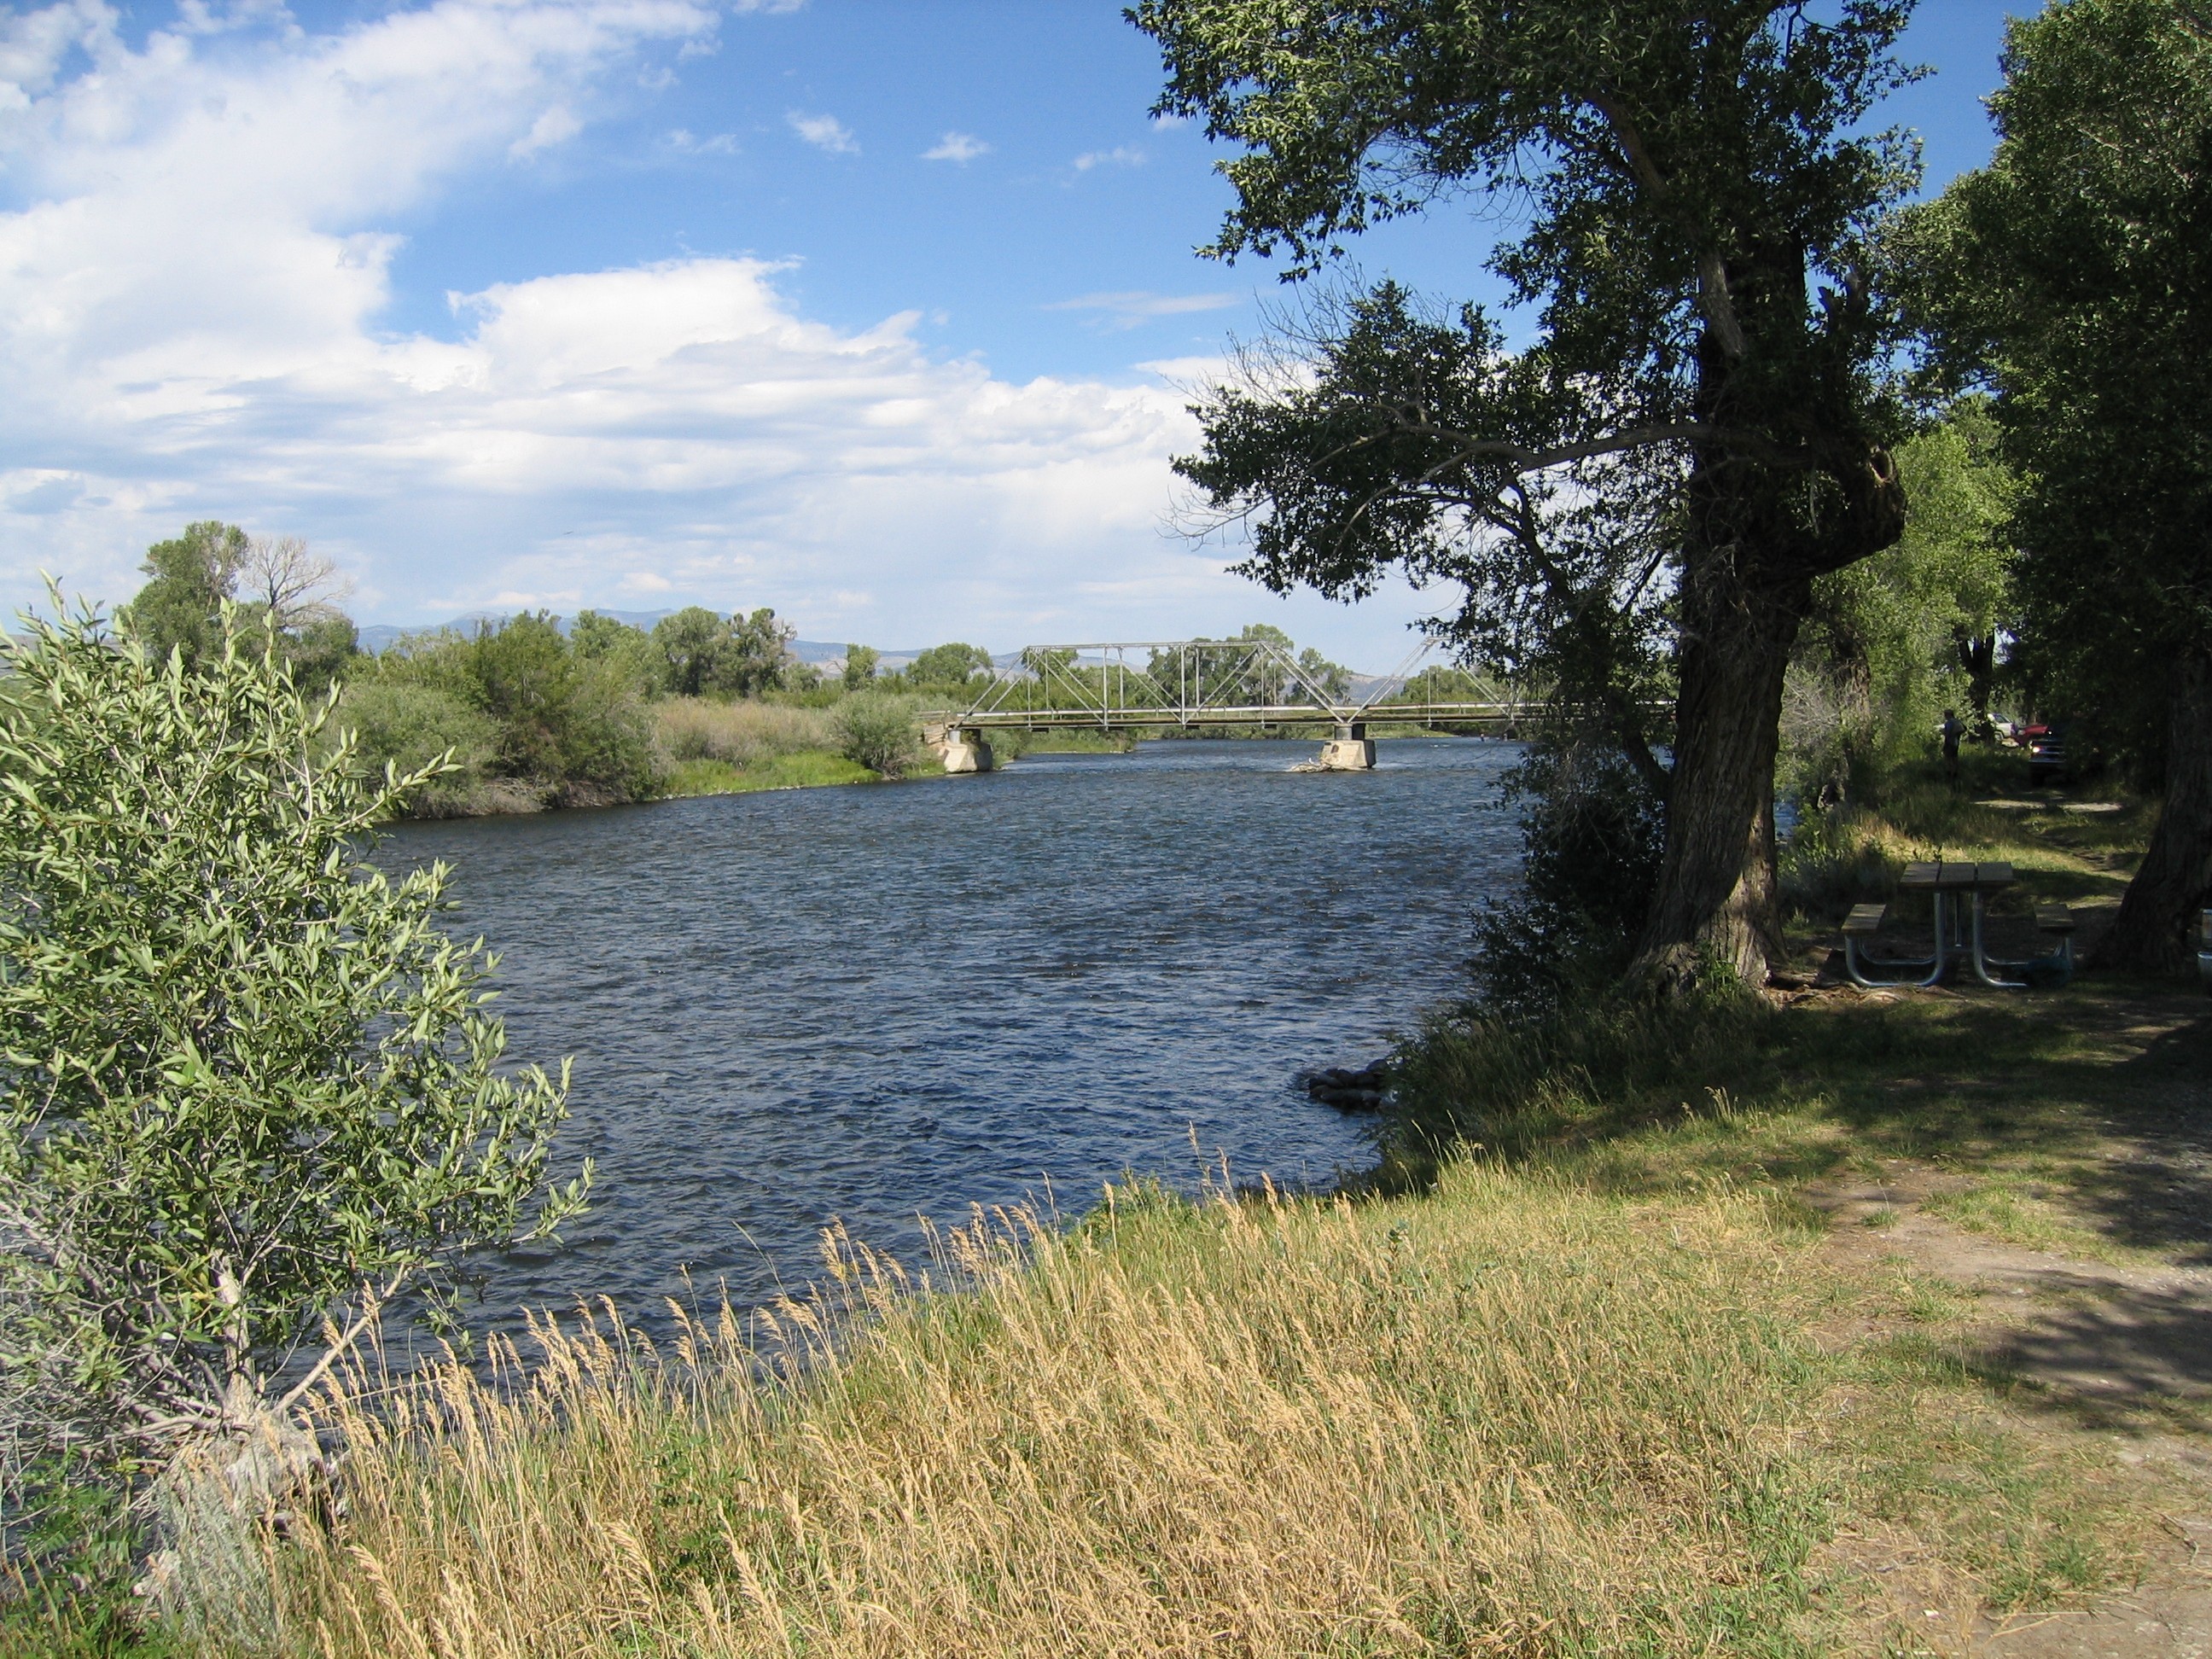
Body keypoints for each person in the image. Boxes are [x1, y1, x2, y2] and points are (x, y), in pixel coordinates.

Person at [1941, 708, 1965, 783]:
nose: (1944, 716)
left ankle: (1950, 773)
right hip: (1956, 743)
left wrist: (1943, 732)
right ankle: (1956, 772)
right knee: (1954, 758)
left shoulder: (1949, 723)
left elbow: (1947, 733)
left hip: (1949, 742)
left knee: (1948, 757)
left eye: (1945, 714)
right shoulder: (1958, 721)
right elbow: (1964, 728)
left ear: (1948, 715)